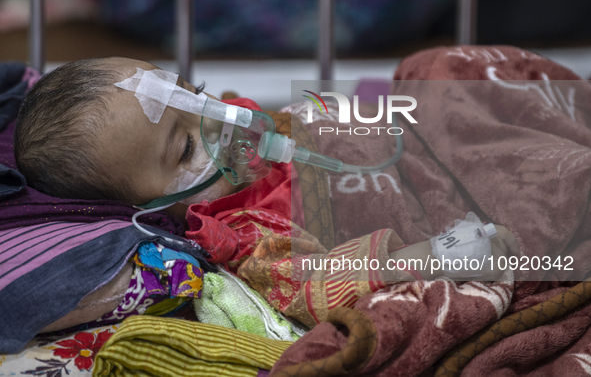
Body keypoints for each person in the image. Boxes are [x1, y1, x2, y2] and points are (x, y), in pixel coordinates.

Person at [14, 57, 517, 331]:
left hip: (424, 149)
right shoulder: (242, 231)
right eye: (188, 144)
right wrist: (437, 253)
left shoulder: (240, 121)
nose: (222, 118)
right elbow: (311, 285)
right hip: (438, 205)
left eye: (194, 91)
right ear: (146, 209)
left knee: (441, 70)